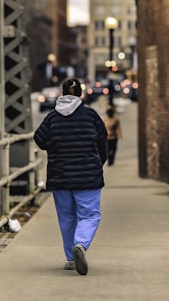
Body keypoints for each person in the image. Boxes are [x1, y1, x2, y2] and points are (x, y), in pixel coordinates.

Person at [34, 78, 108, 275]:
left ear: (62, 93)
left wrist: (57, 147)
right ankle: (81, 245)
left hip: (60, 176)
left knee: (66, 217)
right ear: (80, 94)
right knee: (90, 214)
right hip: (88, 176)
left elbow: (39, 140)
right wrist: (96, 164)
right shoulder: (91, 115)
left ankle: (70, 258)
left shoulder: (52, 117)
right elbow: (103, 142)